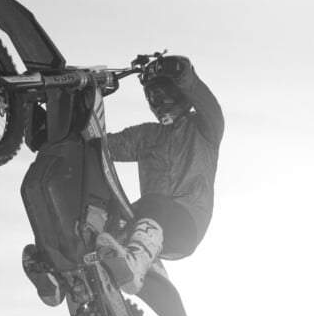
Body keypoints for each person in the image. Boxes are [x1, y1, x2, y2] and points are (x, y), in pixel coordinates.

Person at [96, 55, 224, 294]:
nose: (157, 101)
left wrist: (183, 75)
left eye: (162, 93)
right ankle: (73, 274)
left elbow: (209, 105)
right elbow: (102, 147)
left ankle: (137, 262)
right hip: (151, 217)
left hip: (186, 224)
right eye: (151, 96)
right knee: (107, 212)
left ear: (177, 93)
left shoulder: (204, 129)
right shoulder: (148, 136)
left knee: (154, 201)